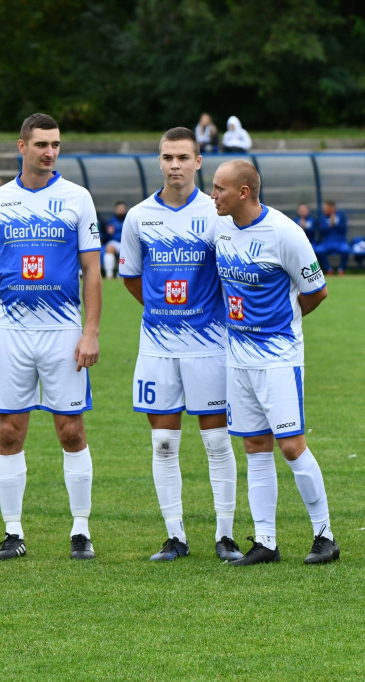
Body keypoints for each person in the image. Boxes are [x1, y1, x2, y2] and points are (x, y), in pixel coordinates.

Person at [0, 113, 102, 562]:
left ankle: (80, 530)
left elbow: (91, 270)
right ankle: (13, 532)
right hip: (12, 333)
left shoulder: (77, 198)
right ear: (21, 146)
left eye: (56, 145)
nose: (50, 152)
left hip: (64, 332)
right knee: (9, 431)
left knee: (71, 430)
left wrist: (90, 332)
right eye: (42, 144)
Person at [119, 127, 243, 562]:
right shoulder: (138, 217)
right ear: (159, 161)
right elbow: (132, 278)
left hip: (209, 346)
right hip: (157, 348)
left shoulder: (217, 215)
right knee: (164, 443)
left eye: (182, 157)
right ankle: (176, 537)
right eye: (168, 157)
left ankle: (224, 535)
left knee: (217, 442)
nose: (175, 164)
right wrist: (165, 316)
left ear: (198, 162)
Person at [210, 159, 340, 566]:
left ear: (244, 192)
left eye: (219, 189)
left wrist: (283, 323)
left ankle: (325, 536)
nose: (212, 195)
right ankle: (266, 541)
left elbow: (316, 291)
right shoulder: (220, 227)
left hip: (279, 358)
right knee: (254, 445)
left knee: (291, 445)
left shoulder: (284, 232)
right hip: (237, 359)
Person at [313, 200, 352, 275]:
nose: (324, 210)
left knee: (346, 249)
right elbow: (321, 232)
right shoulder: (322, 218)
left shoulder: (341, 217)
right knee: (318, 250)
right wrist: (329, 225)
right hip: (327, 242)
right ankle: (329, 269)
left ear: (332, 208)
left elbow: (344, 230)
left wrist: (335, 224)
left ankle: (341, 269)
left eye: (326, 208)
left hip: (340, 242)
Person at [101, 201, 126, 279]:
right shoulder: (111, 221)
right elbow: (107, 236)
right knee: (109, 248)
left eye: (122, 208)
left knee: (128, 249)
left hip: (126, 243)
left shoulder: (129, 219)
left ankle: (123, 273)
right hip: (114, 243)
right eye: (119, 208)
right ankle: (109, 273)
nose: (120, 210)